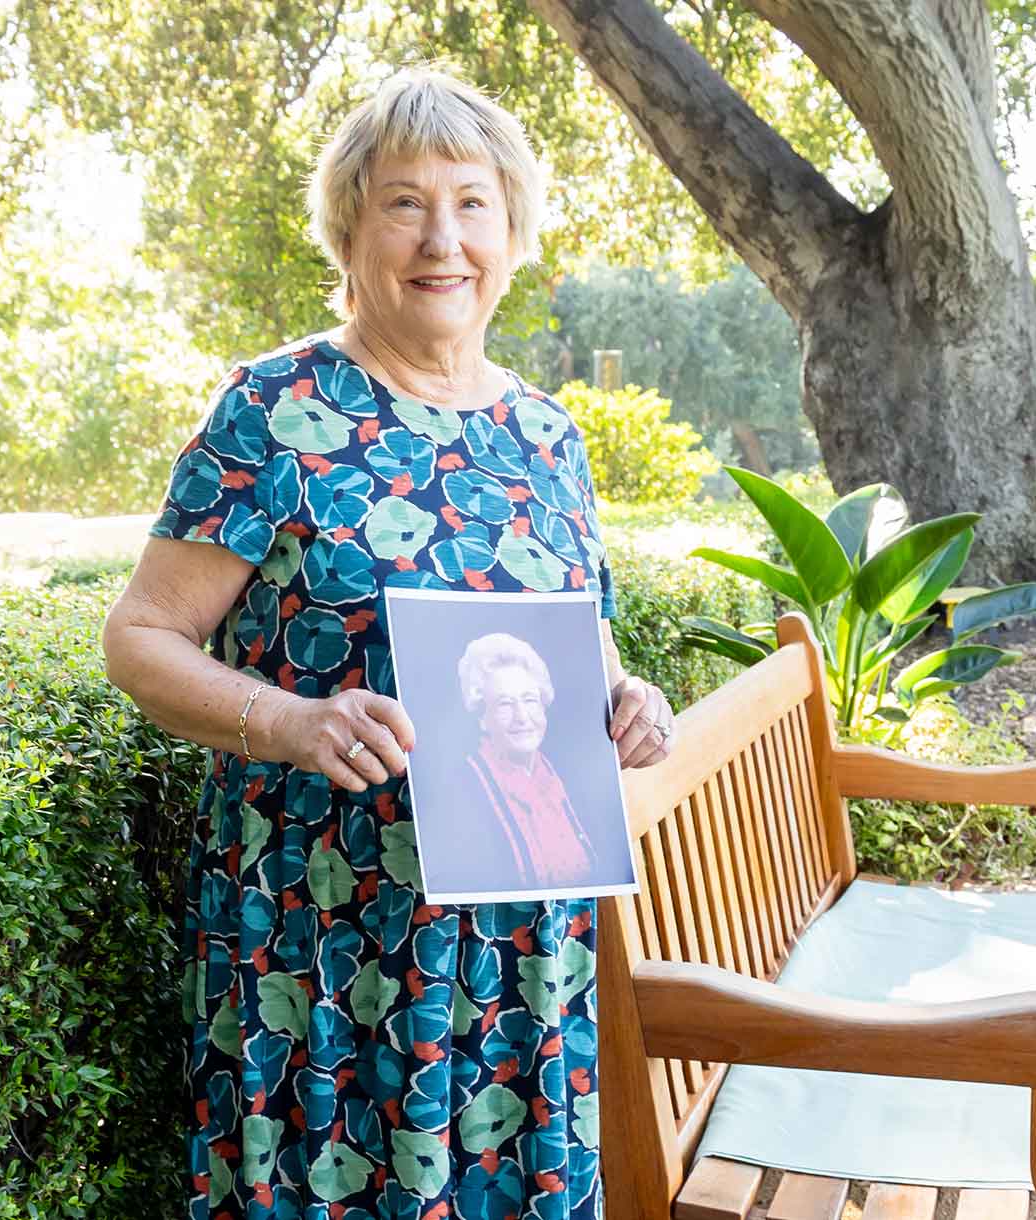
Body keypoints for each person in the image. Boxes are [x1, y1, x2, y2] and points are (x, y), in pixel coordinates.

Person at [102, 65, 678, 1220]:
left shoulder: (547, 436)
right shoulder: (273, 410)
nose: (442, 238)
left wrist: (628, 696)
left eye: (472, 202)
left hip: (521, 954)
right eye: (404, 202)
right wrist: (294, 719)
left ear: (511, 231)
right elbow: (141, 636)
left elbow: (582, 637)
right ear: (351, 230)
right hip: (320, 948)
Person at [447, 632, 598, 893]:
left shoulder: (559, 776)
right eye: (505, 704)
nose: (522, 717)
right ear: (483, 718)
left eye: (530, 700)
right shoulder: (466, 786)